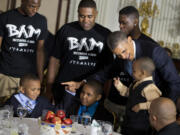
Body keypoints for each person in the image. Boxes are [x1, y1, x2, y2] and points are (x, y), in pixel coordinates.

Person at [46, 0, 113, 109]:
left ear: (96, 13)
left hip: (90, 93)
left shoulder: (105, 34)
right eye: (82, 16)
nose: (85, 20)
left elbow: (108, 69)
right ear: (77, 13)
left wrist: (105, 95)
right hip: (64, 88)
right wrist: (49, 88)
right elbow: (54, 60)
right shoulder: (66, 30)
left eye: (89, 16)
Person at [107, 31, 180, 103]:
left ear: (129, 40)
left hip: (157, 103)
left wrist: (165, 107)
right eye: (118, 55)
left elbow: (174, 82)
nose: (123, 57)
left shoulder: (155, 52)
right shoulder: (120, 56)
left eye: (124, 51)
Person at [0, 0, 48, 104]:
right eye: (31, 6)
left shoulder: (41, 21)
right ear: (23, 1)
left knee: (25, 113)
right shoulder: (6, 17)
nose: (34, 10)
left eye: (37, 7)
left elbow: (40, 51)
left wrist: (40, 77)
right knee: (3, 110)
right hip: (6, 75)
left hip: (29, 78)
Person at [114, 57, 161, 135]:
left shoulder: (149, 87)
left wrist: (141, 106)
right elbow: (128, 93)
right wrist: (119, 85)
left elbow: (156, 104)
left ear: (143, 73)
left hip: (140, 125)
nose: (132, 73)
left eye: (134, 71)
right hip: (129, 120)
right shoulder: (135, 83)